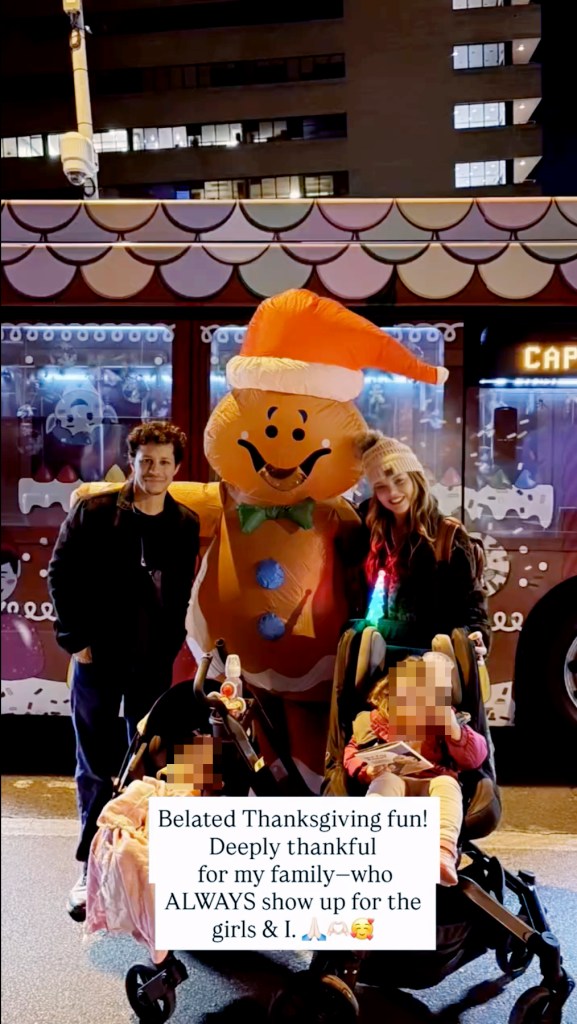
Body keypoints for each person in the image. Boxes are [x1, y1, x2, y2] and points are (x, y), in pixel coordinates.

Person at [48, 420, 200, 921]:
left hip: (150, 662)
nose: (154, 470)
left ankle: (138, 868)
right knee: (94, 763)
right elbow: (61, 575)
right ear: (131, 462)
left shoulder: (184, 523)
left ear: (176, 468)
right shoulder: (94, 513)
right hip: (98, 656)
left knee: (146, 762)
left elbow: (179, 594)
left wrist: (171, 646)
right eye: (146, 461)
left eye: (164, 462)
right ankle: (89, 869)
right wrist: (77, 642)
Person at [343, 652, 488, 885]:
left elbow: (475, 757)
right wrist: (365, 769)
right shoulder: (374, 721)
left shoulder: (446, 720)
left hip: (433, 782)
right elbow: (351, 753)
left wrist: (454, 730)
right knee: (385, 782)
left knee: (448, 785)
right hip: (395, 781)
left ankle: (443, 852)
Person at [355, 432, 490, 657]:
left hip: (427, 659)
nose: (392, 493)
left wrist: (476, 637)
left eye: (399, 481)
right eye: (381, 486)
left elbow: (471, 603)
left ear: (415, 479)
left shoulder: (446, 535)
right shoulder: (368, 531)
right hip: (376, 657)